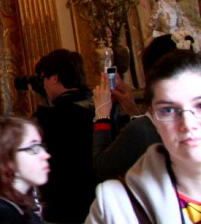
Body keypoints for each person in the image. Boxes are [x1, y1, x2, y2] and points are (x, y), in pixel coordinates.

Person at [86, 49, 201, 222]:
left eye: (200, 106)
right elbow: (103, 166)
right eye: (168, 110)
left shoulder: (140, 126)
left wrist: (106, 113)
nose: (187, 124)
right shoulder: (115, 207)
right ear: (153, 117)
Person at [92, 34, 176, 179]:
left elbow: (102, 167)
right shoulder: (189, 116)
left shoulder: (142, 128)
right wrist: (131, 109)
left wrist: (102, 115)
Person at [32, 48, 97, 222]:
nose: (43, 85)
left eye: (43, 79)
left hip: (63, 205)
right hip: (97, 200)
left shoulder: (50, 118)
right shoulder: (100, 107)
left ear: (54, 78)